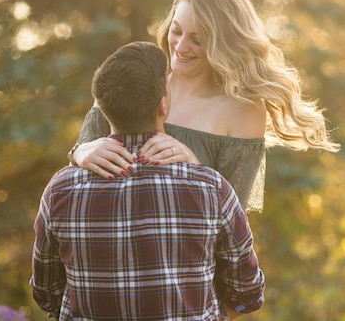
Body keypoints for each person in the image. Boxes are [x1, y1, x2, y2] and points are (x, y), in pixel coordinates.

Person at [30, 41, 265, 320]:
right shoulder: (211, 189)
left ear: (103, 110)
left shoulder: (61, 189)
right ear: (163, 105)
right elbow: (248, 292)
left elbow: (46, 293)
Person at [69, 0, 339, 212]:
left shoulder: (243, 110)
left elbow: (233, 226)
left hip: (190, 266)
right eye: (177, 31)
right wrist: (79, 152)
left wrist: (195, 167)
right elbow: (77, 183)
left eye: (197, 39)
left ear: (224, 43)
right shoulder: (134, 78)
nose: (181, 46)